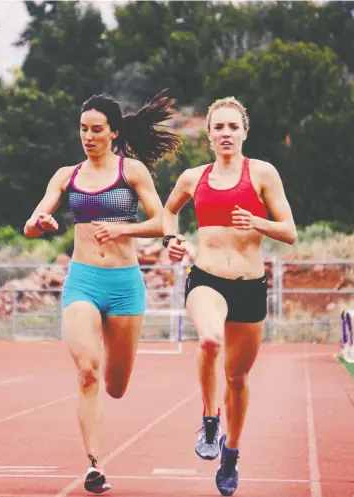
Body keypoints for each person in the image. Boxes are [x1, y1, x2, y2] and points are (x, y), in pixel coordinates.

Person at [24, 91, 180, 494]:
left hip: (126, 286)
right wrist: (41, 221)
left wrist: (122, 228)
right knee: (88, 371)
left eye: (96, 130)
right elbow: (31, 223)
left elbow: (162, 221)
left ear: (113, 132)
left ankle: (113, 355)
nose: (88, 137)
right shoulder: (66, 175)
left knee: (116, 385)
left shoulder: (133, 172)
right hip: (83, 282)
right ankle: (94, 466)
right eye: (83, 129)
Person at [162, 96, 297, 496]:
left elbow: (289, 231)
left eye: (232, 127)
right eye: (218, 127)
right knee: (208, 339)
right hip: (206, 277)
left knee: (237, 378)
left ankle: (231, 453)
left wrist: (256, 220)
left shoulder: (263, 173)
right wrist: (171, 239)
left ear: (244, 133)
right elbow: (169, 212)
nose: (225, 134)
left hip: (250, 286)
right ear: (208, 135)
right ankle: (209, 420)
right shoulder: (192, 178)